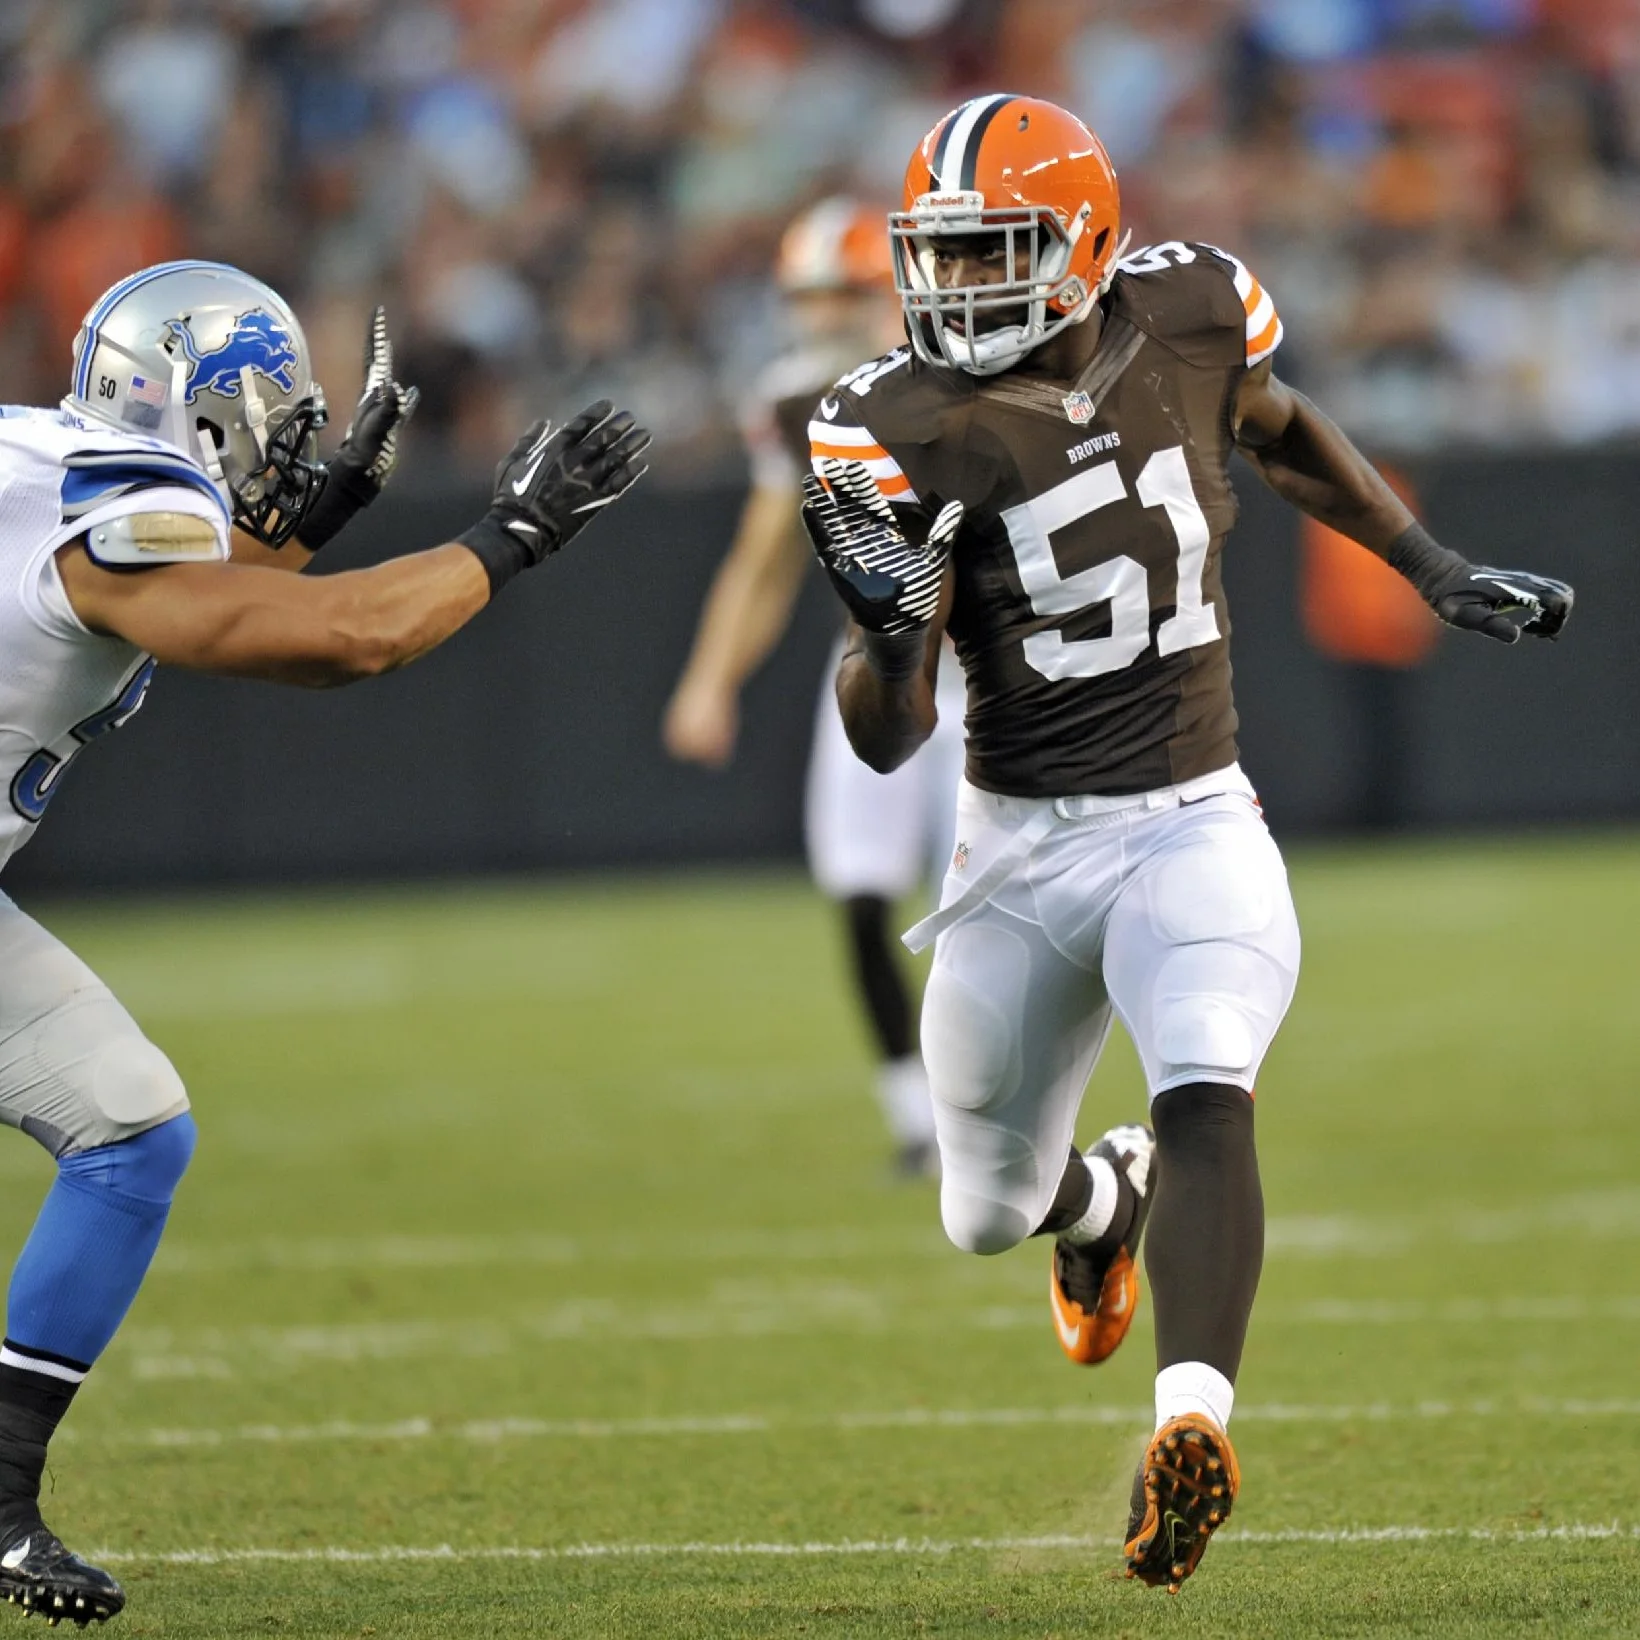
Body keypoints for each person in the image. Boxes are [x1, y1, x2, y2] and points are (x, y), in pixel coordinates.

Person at [799, 97, 1572, 1591]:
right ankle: (1099, 1206)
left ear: (1085, 242)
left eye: (997, 252)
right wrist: (888, 639)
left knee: (1209, 1078)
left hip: (1189, 814)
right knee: (984, 1210)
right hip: (1013, 847)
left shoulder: (1194, 310)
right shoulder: (885, 423)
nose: (962, 287)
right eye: (943, 256)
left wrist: (1428, 565)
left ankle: (1190, 1421)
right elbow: (888, 735)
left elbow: (1280, 430)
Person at [0, 260, 649, 1625]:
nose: (291, 442)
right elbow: (340, 640)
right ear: (202, 406)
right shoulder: (128, 508)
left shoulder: (50, 457)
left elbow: (181, 593)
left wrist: (323, 514)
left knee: (127, 1122)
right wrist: (510, 535)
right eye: (275, 415)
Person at [664, 199, 963, 1177]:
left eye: (841, 293)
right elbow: (762, 559)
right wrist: (709, 679)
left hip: (982, 675)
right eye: (808, 296)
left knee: (985, 907)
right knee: (861, 891)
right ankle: (915, 1115)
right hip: (873, 669)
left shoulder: (959, 377)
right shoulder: (794, 398)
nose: (821, 316)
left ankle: (989, 1105)